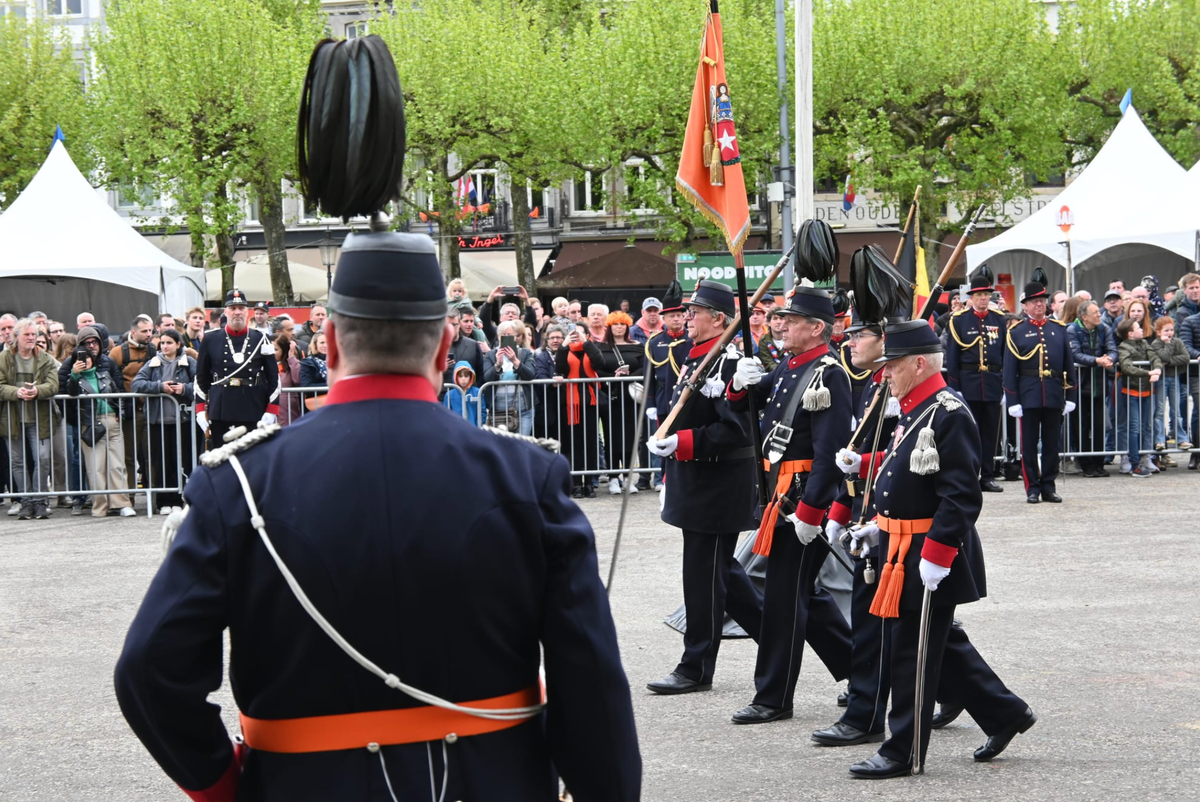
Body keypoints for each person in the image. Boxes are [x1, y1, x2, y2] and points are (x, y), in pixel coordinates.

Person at [114, 221, 640, 801]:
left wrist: (223, 785)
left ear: (332, 342)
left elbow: (149, 672)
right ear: (444, 346)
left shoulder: (238, 483)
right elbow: (590, 681)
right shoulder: (525, 475)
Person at [847, 319, 1036, 779]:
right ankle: (1005, 713)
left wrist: (936, 555)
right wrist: (878, 525)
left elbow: (961, 496)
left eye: (892, 365)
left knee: (910, 655)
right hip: (900, 547)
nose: (884, 373)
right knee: (932, 645)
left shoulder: (948, 412)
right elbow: (908, 474)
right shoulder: (915, 407)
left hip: (928, 552)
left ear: (918, 364)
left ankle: (903, 752)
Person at [725, 286, 853, 725]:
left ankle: (773, 696)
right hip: (779, 497)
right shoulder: (789, 364)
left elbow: (830, 452)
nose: (781, 325)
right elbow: (756, 405)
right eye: (781, 319)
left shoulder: (828, 373)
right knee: (804, 594)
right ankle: (862, 670)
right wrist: (740, 384)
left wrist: (812, 511)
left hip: (799, 502)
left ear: (816, 328)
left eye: (792, 320)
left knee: (783, 600)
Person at [644, 279, 760, 696]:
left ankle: (695, 667)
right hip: (695, 485)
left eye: (695, 312)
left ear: (719, 319)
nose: (687, 317)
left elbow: (737, 431)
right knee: (725, 578)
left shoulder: (730, 363)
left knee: (702, 582)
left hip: (716, 488)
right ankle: (780, 639)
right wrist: (668, 458)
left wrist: (682, 443)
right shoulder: (696, 356)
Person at [812, 308, 897, 747]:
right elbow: (857, 459)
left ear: (884, 338)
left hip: (895, 522)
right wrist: (840, 511)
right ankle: (994, 706)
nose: (849, 342)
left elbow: (900, 462)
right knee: (876, 621)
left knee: (890, 622)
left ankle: (864, 716)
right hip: (869, 516)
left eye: (859, 334)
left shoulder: (897, 389)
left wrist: (869, 512)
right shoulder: (875, 386)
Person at [1003, 281, 1076, 504]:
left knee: (1052, 445)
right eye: (1034, 302)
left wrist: (1071, 396)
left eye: (1042, 301)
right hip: (1028, 395)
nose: (1039, 305)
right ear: (1025, 306)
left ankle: (1049, 486)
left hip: (1053, 393)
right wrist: (1013, 400)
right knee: (1029, 445)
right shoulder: (1017, 332)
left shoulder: (1058, 329)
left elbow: (1068, 364)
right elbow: (1010, 369)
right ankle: (1032, 488)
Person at [62, 326, 136, 518]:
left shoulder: (106, 368)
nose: (91, 348)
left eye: (94, 342)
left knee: (117, 465)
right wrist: (74, 374)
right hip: (89, 423)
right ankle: (100, 505)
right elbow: (68, 394)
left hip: (112, 421)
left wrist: (120, 411)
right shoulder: (73, 372)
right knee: (96, 467)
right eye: (86, 345)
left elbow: (118, 390)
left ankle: (121, 503)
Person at [194, 289, 281, 448]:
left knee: (253, 457)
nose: (237, 312)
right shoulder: (210, 339)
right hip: (221, 407)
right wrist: (200, 409)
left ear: (247, 312)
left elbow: (274, 378)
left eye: (241, 308)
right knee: (222, 456)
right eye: (233, 308)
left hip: (253, 406)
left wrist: (272, 409)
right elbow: (201, 377)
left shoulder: (261, 339)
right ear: (226, 312)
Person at [945, 274, 1007, 492]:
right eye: (979, 295)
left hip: (992, 382)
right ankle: (969, 476)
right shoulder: (959, 320)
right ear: (970, 298)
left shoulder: (998, 320)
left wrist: (1005, 385)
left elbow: (1004, 354)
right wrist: (956, 389)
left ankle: (987, 475)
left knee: (990, 433)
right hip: (968, 383)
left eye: (986, 295)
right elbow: (952, 357)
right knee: (969, 433)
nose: (983, 299)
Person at [0, 318, 59, 519]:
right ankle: (26, 501)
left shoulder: (45, 358)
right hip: (12, 418)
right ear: (16, 337)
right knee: (17, 461)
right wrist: (16, 392)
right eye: (27, 334)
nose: (31, 338)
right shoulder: (3, 358)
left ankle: (39, 501)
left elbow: (53, 384)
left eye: (34, 334)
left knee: (42, 458)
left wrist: (37, 391)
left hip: (39, 418)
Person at [131, 329, 196, 512]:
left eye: (169, 343)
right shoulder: (153, 362)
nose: (165, 346)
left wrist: (184, 389)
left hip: (182, 420)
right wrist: (159, 387)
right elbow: (136, 384)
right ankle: (163, 502)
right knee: (160, 462)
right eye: (163, 343)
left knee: (180, 461)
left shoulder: (189, 362)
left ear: (178, 344)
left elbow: (201, 384)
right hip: (157, 421)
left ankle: (178, 501)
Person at [643, 283, 689, 492]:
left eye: (679, 315)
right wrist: (650, 403)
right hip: (664, 398)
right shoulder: (655, 342)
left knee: (684, 438)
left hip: (686, 399)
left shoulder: (692, 339)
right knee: (663, 441)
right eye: (672, 316)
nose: (676, 319)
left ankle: (684, 477)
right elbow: (649, 376)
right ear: (665, 318)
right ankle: (665, 479)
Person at [1066, 300, 1117, 478]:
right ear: (1084, 316)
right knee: (1081, 426)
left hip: (1099, 385)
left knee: (1099, 426)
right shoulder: (1072, 330)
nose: (1099, 314)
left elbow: (1112, 349)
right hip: (1080, 386)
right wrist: (1096, 361)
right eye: (1095, 312)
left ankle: (1099, 463)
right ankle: (1086, 464)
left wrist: (1109, 359)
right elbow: (1075, 354)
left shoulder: (1104, 329)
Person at [596, 311, 644, 494]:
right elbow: (596, 369)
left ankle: (628, 477)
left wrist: (628, 375)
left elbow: (644, 366)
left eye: (622, 324)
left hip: (631, 398)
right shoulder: (601, 347)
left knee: (631, 438)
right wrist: (613, 376)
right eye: (615, 324)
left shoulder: (637, 346)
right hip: (610, 398)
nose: (619, 327)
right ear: (609, 327)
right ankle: (613, 477)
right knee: (611, 438)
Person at [556, 322, 605, 498]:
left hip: (590, 401)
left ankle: (589, 483)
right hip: (571, 402)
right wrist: (564, 345)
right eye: (573, 333)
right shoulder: (565, 350)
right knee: (574, 444)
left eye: (580, 332)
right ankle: (576, 483)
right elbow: (560, 368)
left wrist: (586, 342)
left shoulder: (590, 348)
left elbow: (599, 363)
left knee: (591, 443)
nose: (576, 335)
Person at [110, 315, 157, 490]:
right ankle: (128, 496)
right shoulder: (118, 352)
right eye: (144, 331)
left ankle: (154, 496)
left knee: (152, 455)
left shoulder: (154, 349)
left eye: (150, 330)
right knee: (128, 456)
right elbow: (111, 382)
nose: (148, 334)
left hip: (151, 409)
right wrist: (117, 408)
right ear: (133, 332)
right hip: (130, 411)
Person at [1116, 319, 1161, 477]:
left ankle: (1146, 458)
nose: (1142, 329)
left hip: (1147, 391)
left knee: (1147, 426)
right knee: (1134, 428)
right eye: (1138, 328)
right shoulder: (1123, 347)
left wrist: (1157, 369)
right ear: (1130, 333)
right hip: (1131, 392)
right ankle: (1135, 464)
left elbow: (1155, 357)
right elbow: (1127, 367)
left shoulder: (1144, 343)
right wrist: (1148, 373)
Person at [482, 319, 535, 434]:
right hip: (499, 411)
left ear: (515, 337)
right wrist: (497, 365)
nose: (506, 337)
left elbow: (530, 374)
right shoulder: (491, 355)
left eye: (509, 335)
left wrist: (515, 361)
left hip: (523, 409)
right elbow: (487, 377)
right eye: (503, 335)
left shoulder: (525, 353)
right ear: (498, 337)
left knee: (522, 441)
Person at [1151, 316, 1191, 455]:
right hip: (1161, 379)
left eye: (1171, 330)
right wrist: (1167, 345)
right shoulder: (1156, 343)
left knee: (1176, 411)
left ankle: (1181, 438)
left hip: (1174, 378)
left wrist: (1169, 362)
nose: (1169, 333)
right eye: (1166, 330)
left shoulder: (1178, 342)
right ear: (1158, 332)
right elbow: (1163, 356)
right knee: (1160, 410)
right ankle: (1159, 440)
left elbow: (1185, 357)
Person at [531, 324, 566, 440]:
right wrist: (552, 383)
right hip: (547, 408)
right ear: (547, 341)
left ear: (564, 339)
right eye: (552, 338)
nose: (555, 341)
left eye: (558, 337)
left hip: (566, 406)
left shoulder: (570, 355)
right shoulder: (541, 357)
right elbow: (539, 376)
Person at [442, 307, 485, 395]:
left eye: (454, 325)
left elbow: (481, 372)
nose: (451, 328)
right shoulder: (436, 346)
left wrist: (474, 391)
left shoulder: (473, 345)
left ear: (459, 325)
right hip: (442, 396)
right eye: (448, 325)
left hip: (467, 396)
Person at [444, 360, 487, 425]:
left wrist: (477, 425)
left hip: (473, 428)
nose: (463, 379)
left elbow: (482, 412)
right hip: (456, 429)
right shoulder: (449, 395)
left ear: (471, 376)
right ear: (455, 377)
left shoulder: (478, 392)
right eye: (460, 376)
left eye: (466, 376)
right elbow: (446, 415)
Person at [274, 334, 304, 426]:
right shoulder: (263, 365)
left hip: (288, 411)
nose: (272, 352)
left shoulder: (292, 364)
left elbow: (298, 380)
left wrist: (291, 357)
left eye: (275, 349)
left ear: (284, 350)